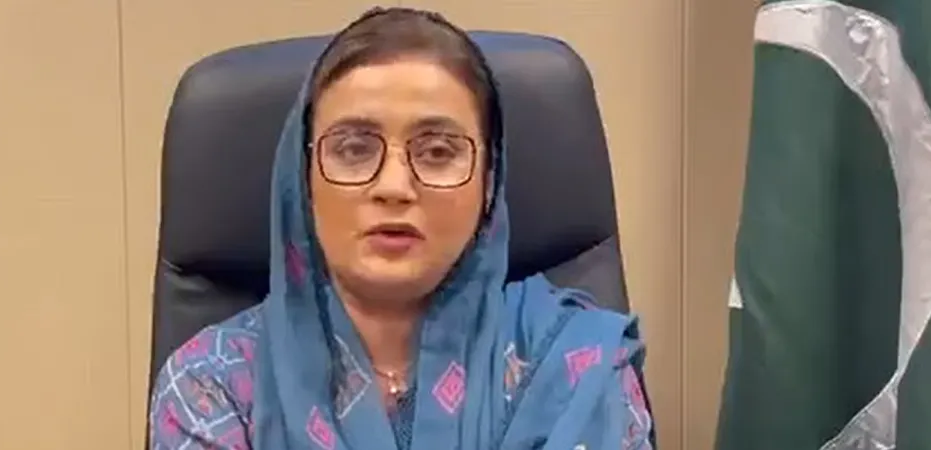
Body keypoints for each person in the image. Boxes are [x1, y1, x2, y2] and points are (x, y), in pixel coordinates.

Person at [149, 7, 653, 449]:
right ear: (302, 179)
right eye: (353, 149)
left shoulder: (577, 364)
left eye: (437, 152)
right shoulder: (212, 386)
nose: (394, 187)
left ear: (489, 183)